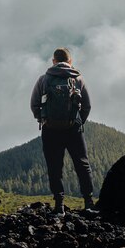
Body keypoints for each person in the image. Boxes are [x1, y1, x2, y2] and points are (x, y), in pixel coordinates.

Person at [30, 47, 94, 214]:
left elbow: (34, 104)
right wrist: (78, 122)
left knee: (54, 167)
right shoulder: (78, 78)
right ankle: (88, 203)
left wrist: (43, 119)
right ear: (70, 61)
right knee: (82, 164)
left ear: (53, 61)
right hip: (73, 129)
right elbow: (86, 106)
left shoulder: (43, 79)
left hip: (50, 130)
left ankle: (59, 206)